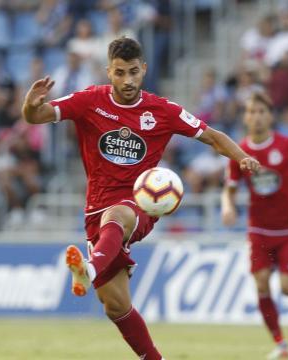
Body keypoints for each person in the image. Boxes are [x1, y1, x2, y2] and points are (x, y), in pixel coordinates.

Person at [21, 37, 260, 360]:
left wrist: (242, 157)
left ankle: (87, 271)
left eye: (134, 72)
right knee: (115, 304)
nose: (128, 80)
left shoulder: (162, 110)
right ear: (109, 72)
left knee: (118, 216)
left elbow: (213, 137)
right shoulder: (89, 100)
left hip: (140, 204)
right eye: (120, 73)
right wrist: (30, 104)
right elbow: (35, 117)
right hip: (96, 209)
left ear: (143, 69)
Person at [221, 92, 288, 360]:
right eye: (251, 112)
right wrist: (228, 206)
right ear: (245, 117)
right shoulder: (238, 152)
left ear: (271, 116)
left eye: (262, 111)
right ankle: (281, 344)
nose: (257, 117)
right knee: (261, 284)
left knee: (287, 287)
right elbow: (228, 189)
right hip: (259, 231)